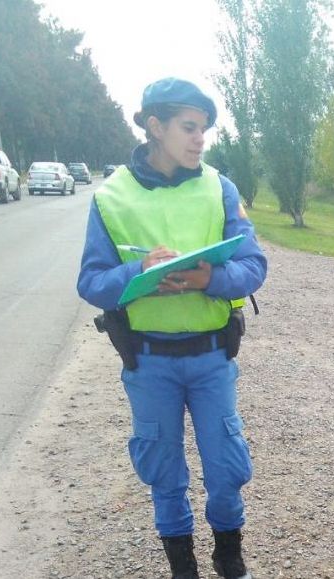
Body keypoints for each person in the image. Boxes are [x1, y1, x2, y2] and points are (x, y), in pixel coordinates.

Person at [77, 77, 266, 579]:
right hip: (149, 361)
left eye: (203, 129)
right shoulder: (111, 197)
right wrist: (137, 275)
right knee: (164, 472)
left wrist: (213, 278)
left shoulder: (219, 188)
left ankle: (229, 553)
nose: (199, 139)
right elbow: (91, 282)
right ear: (155, 127)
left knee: (226, 467)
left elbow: (254, 266)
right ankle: (183, 567)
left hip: (210, 357)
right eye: (189, 127)